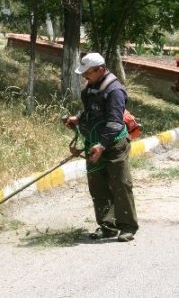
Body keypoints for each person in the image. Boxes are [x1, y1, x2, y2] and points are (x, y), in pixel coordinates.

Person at [65, 52, 138, 242]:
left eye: (87, 72)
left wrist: (102, 146)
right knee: (97, 186)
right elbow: (92, 112)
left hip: (113, 144)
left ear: (101, 69)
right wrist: (78, 118)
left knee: (121, 184)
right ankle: (107, 226)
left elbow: (114, 122)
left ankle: (127, 226)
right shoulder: (89, 88)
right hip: (94, 142)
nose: (84, 76)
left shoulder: (114, 91)